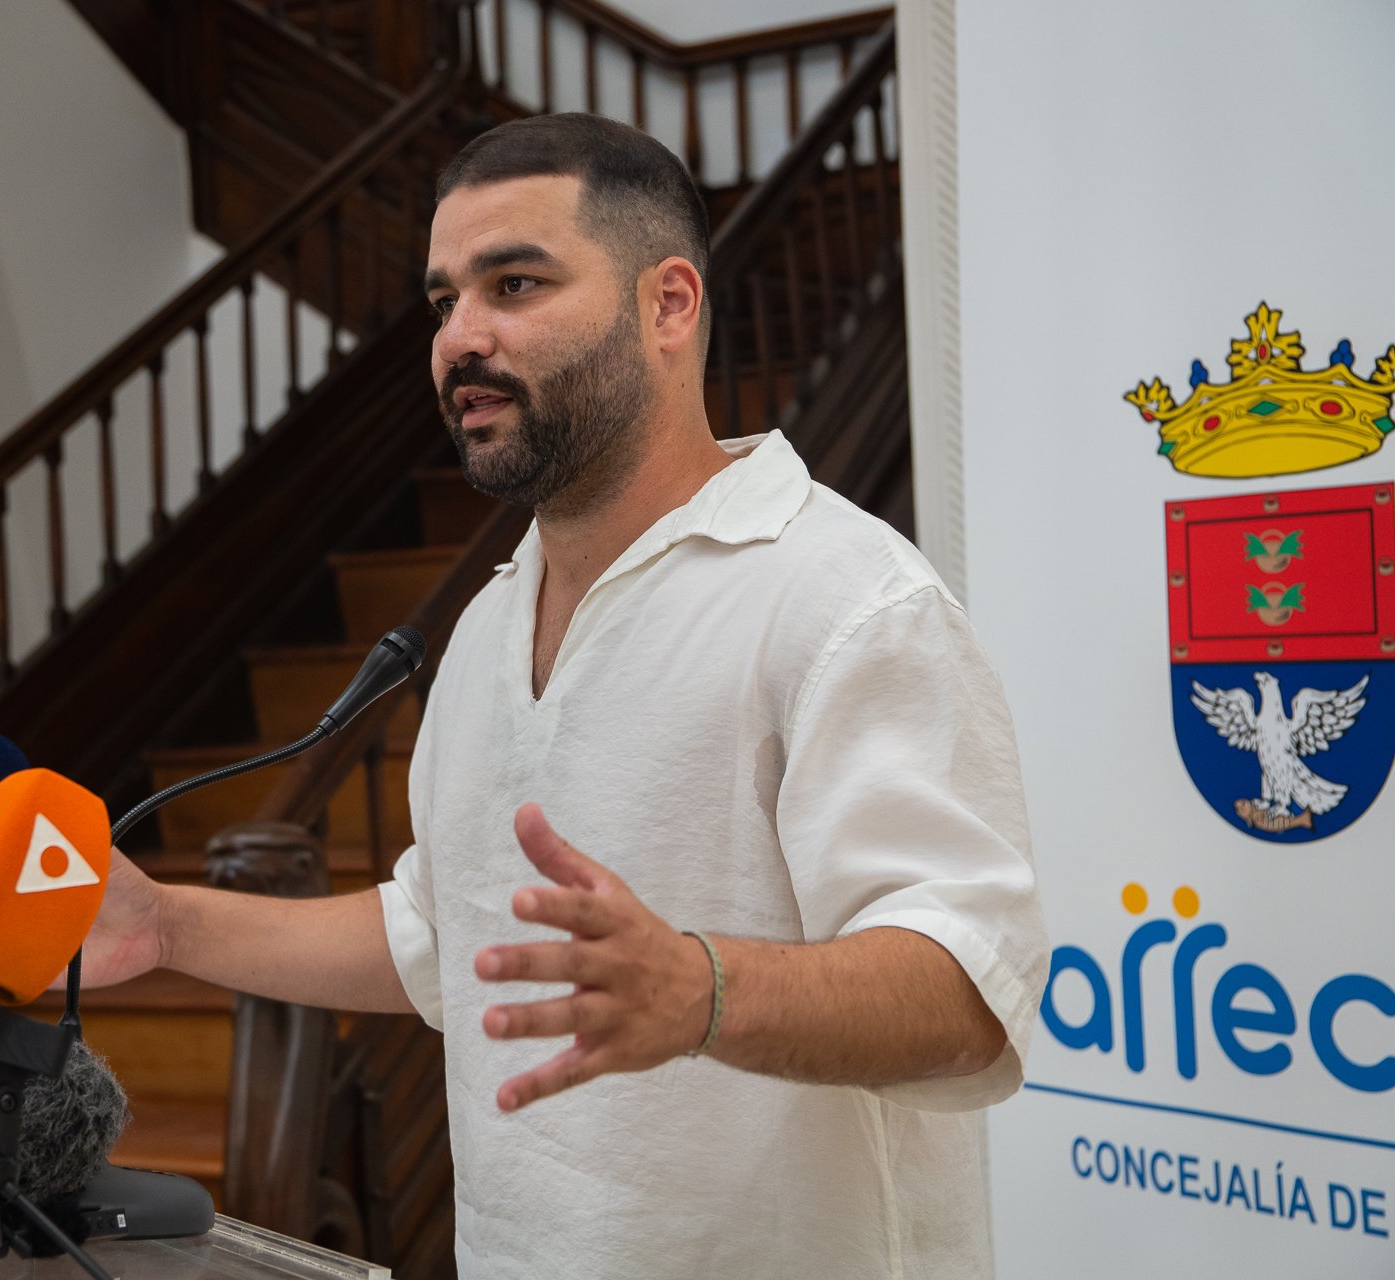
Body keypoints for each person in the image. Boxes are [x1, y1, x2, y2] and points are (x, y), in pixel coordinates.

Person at [77, 113, 1048, 1279]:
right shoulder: (489, 617)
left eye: (515, 283)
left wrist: (700, 989)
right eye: (444, 301)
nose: (460, 339)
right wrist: (167, 923)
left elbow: (968, 991)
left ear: (669, 305)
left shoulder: (847, 599)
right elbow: (449, 932)